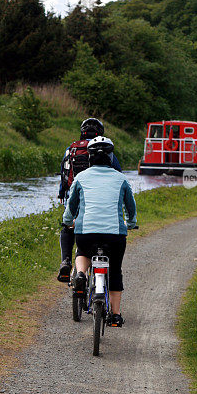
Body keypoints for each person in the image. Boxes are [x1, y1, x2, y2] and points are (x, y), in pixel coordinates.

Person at [62, 136, 136, 326]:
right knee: (116, 270)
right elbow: (130, 205)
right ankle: (116, 315)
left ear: (90, 157)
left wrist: (68, 221)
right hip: (115, 235)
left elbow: (71, 205)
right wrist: (132, 222)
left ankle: (80, 274)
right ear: (111, 157)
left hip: (86, 233)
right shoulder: (121, 179)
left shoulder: (81, 177)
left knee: (82, 251)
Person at [57, 117, 122, 281]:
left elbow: (64, 173)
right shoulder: (105, 149)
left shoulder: (70, 149)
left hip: (74, 197)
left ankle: (66, 261)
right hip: (98, 201)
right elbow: (118, 174)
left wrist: (61, 193)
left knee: (68, 227)